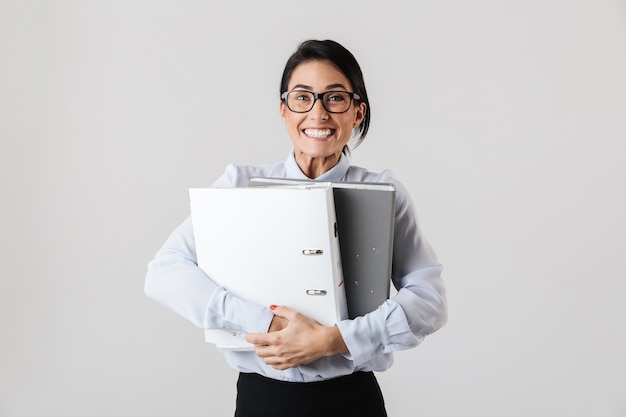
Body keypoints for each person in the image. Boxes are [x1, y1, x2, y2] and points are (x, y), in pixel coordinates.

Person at [145, 39, 447, 417]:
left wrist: (335, 340)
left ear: (357, 113)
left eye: (335, 98)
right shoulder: (238, 186)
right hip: (262, 401)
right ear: (283, 110)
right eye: (302, 98)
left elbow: (429, 300)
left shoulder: (384, 194)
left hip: (352, 402)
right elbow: (164, 272)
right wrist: (265, 323)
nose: (318, 113)